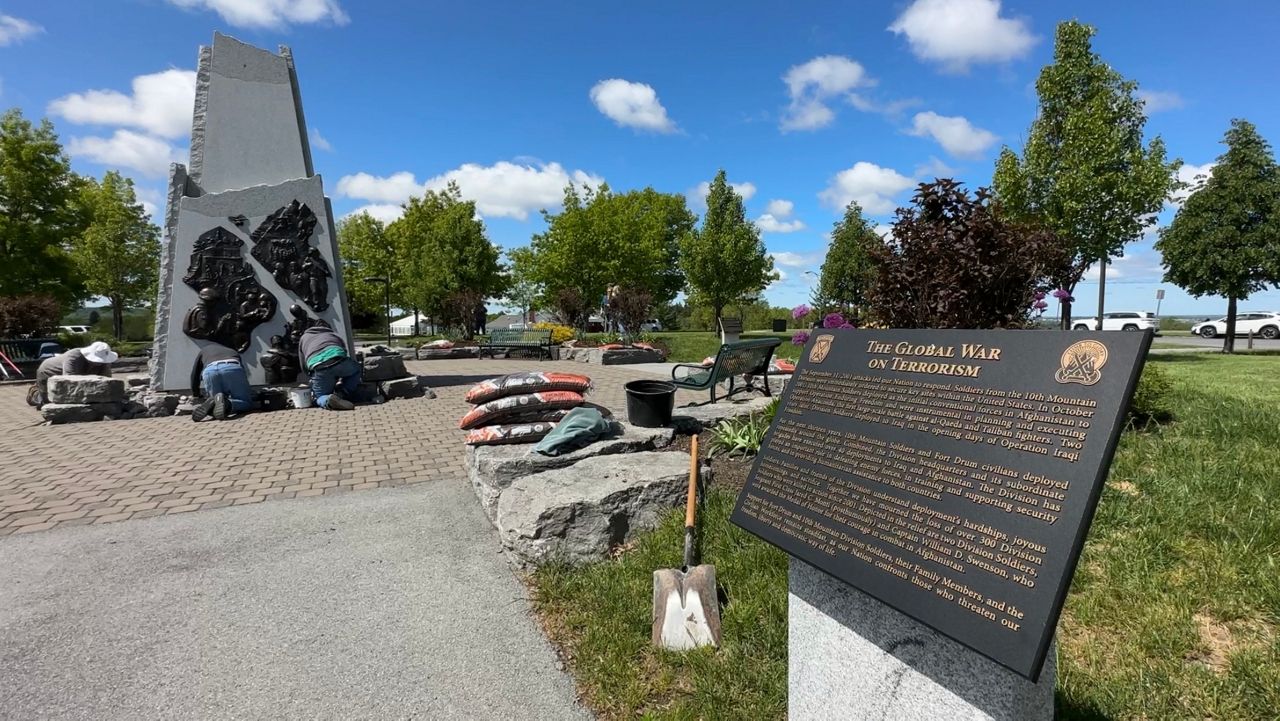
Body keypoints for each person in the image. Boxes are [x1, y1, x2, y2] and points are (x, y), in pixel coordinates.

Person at [297, 321, 362, 410]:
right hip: (338, 360)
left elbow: (303, 363)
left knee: (319, 396)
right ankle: (342, 393)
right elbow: (344, 353)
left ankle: (327, 400)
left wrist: (311, 376)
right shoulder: (334, 335)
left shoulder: (304, 337)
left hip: (319, 367)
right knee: (356, 370)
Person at [33, 341, 117, 408]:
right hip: (48, 372)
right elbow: (69, 380)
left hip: (78, 374)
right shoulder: (74, 356)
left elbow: (106, 380)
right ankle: (36, 394)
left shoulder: (105, 362)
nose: (99, 363)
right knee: (49, 402)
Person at [190, 343, 254, 422]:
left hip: (210, 370)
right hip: (232, 367)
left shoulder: (204, 350)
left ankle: (212, 402)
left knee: (217, 402)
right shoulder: (232, 351)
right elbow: (242, 372)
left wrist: (196, 394)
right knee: (246, 403)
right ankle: (227, 404)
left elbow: (195, 374)